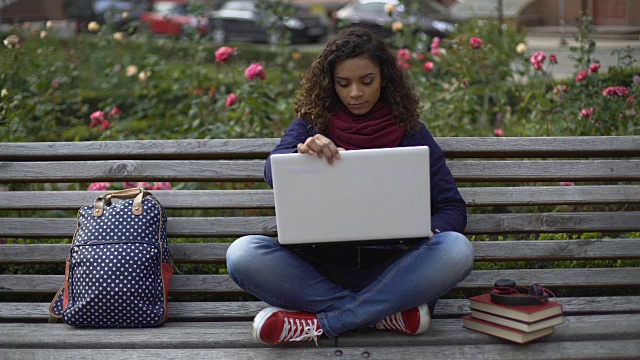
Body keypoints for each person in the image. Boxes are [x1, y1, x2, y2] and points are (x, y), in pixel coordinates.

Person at [226, 27, 473, 346]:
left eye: (366, 81)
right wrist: (301, 151)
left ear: (384, 78)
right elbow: (273, 171)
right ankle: (384, 315)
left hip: (393, 271)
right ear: (331, 84)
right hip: (317, 270)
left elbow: (452, 208)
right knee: (242, 253)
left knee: (456, 249)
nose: (356, 93)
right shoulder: (311, 124)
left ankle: (322, 323)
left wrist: (431, 232)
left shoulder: (410, 132)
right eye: (344, 84)